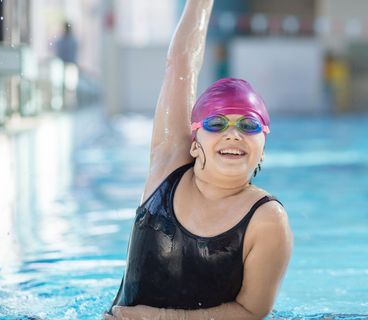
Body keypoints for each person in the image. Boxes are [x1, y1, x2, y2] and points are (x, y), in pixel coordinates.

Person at [103, 1, 293, 319]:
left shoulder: (268, 221)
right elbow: (180, 65)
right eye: (216, 124)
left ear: (263, 145)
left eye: (248, 125)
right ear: (193, 143)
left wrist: (159, 319)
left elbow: (250, 312)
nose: (233, 134)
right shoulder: (168, 167)